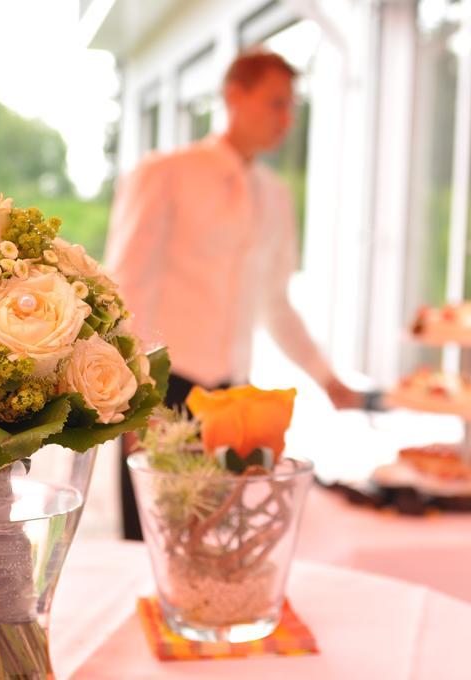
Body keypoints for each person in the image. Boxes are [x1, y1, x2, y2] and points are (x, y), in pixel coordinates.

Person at [106, 49, 361, 540]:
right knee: (154, 543)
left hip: (232, 401)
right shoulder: (165, 173)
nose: (286, 119)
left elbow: (276, 303)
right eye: (276, 103)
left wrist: (328, 378)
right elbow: (127, 288)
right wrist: (134, 397)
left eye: (292, 107)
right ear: (234, 96)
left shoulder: (275, 194)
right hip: (164, 388)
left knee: (216, 547)